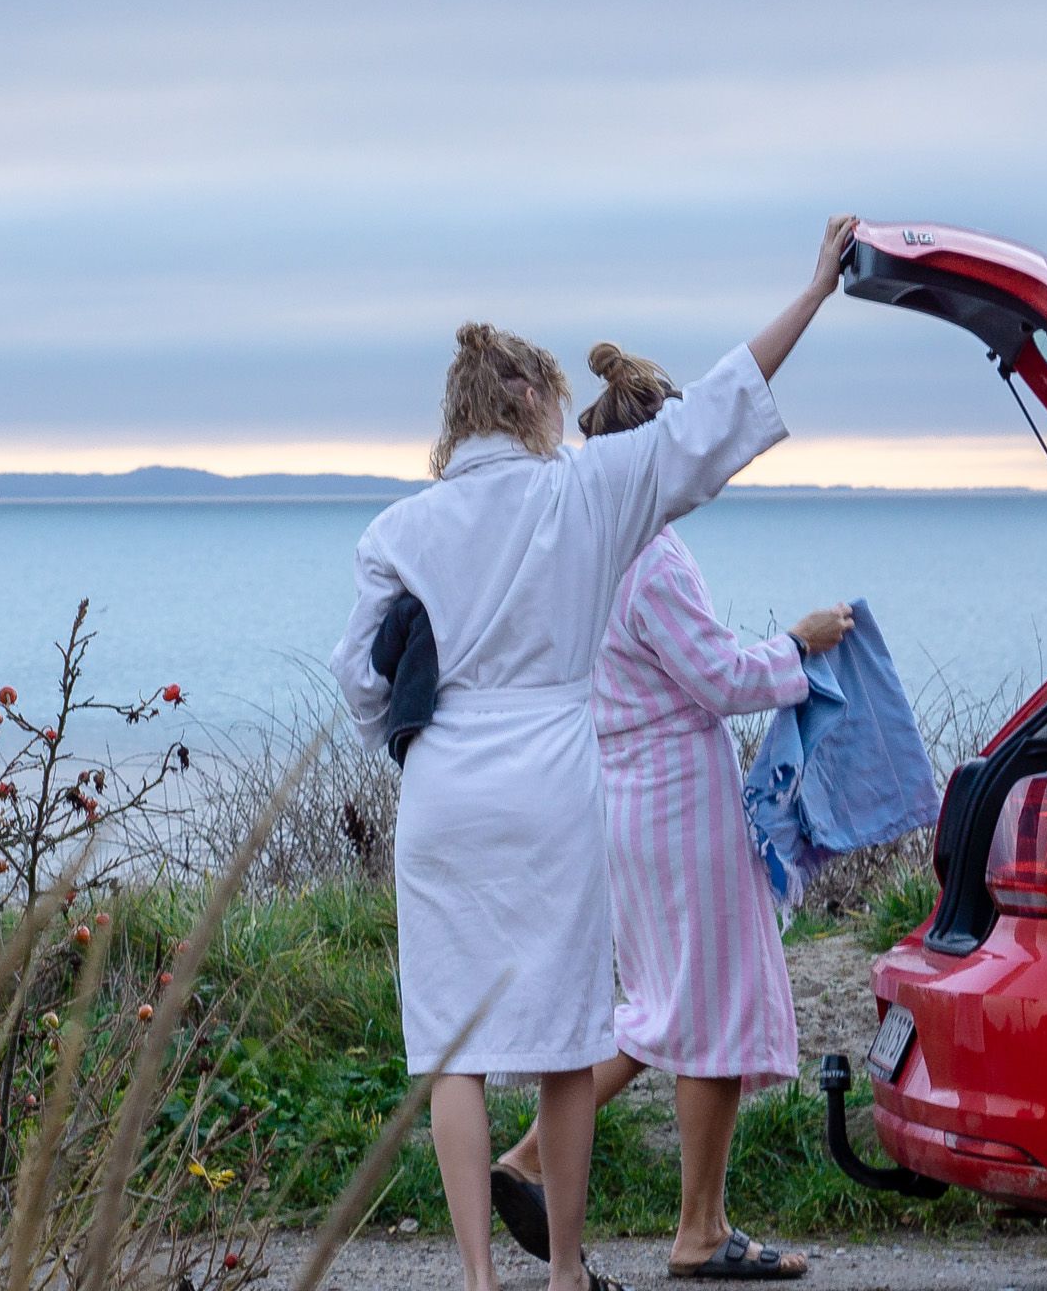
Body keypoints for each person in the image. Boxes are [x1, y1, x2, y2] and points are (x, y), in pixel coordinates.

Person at [335, 217, 859, 1291]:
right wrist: (812, 293)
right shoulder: (585, 494)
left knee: (457, 1048)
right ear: (530, 403)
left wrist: (417, 731)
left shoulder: (399, 531)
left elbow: (360, 681)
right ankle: (567, 1273)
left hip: (444, 793)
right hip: (556, 790)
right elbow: (716, 413)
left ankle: (481, 1280)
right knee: (568, 1042)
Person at [485, 343, 853, 1281]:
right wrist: (798, 645)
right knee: (711, 1008)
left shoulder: (589, 553)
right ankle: (698, 1228)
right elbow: (721, 678)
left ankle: (533, 1155)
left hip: (623, 802)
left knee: (664, 1006)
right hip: (680, 804)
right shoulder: (654, 560)